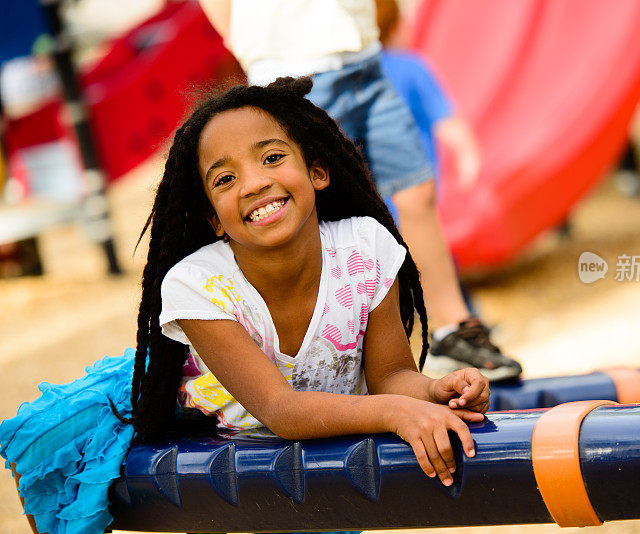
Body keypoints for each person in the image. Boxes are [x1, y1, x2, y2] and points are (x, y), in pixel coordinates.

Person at [0, 78, 490, 534]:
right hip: (206, 418)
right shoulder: (198, 285)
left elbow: (390, 378)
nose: (254, 183)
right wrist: (396, 414)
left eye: (272, 158)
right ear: (214, 219)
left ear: (317, 172)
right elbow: (281, 410)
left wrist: (430, 391)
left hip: (313, 433)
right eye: (225, 179)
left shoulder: (366, 248)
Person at [198, 0, 523, 382]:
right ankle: (329, 351)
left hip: (366, 62)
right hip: (294, 69)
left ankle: (453, 330)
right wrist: (240, 37)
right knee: (320, 208)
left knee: (415, 190)